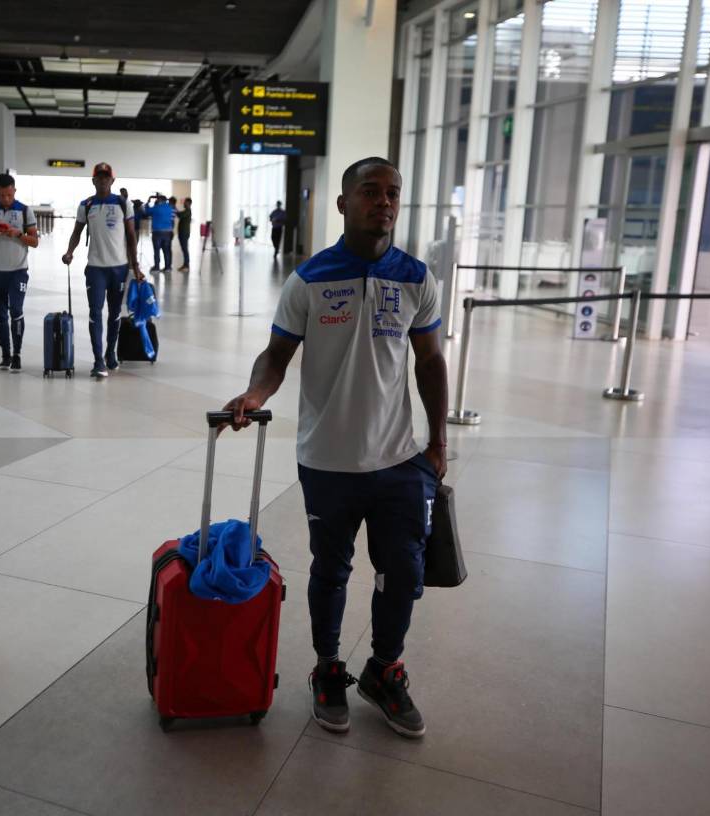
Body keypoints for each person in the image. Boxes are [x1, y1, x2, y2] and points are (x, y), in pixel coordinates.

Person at [223, 157, 448, 738]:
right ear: (343, 203)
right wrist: (253, 391)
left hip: (399, 457)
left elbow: (429, 361)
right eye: (370, 192)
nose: (384, 202)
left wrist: (438, 440)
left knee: (403, 571)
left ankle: (384, 670)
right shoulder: (310, 279)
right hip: (327, 459)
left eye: (393, 192)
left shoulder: (417, 278)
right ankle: (327, 668)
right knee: (332, 569)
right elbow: (277, 355)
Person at [61, 162, 143, 379]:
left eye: (107, 177)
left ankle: (110, 352)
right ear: (94, 180)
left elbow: (132, 237)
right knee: (95, 313)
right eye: (99, 177)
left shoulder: (123, 204)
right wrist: (69, 252)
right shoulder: (86, 205)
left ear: (113, 180)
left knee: (115, 314)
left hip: (119, 268)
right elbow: (77, 232)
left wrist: (136, 267)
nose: (103, 180)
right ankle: (98, 360)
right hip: (96, 269)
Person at [0, 172, 38, 372]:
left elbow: (35, 241)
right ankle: (5, 353)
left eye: (9, 195)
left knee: (16, 310)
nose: (6, 199)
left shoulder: (25, 211)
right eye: (2, 195)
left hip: (18, 270)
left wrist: (18, 233)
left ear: (14, 191)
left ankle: (17, 354)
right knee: (0, 314)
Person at [147, 193, 175, 272]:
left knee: (156, 250)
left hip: (157, 233)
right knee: (167, 250)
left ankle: (156, 267)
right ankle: (168, 267)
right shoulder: (170, 208)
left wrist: (148, 201)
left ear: (160, 200)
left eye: (157, 199)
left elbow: (147, 211)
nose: (157, 200)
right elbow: (172, 219)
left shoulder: (156, 207)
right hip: (168, 233)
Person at [176, 197, 193, 271]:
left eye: (185, 202)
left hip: (184, 233)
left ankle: (186, 265)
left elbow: (180, 215)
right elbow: (180, 214)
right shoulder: (186, 210)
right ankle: (185, 265)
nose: (184, 203)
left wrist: (175, 208)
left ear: (188, 203)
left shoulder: (188, 211)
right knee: (184, 249)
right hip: (183, 233)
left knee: (185, 249)